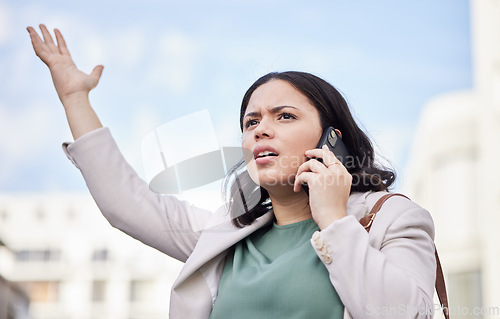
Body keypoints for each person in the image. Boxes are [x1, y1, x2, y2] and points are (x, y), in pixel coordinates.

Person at [27, 24, 437, 318]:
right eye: (251, 122)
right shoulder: (225, 235)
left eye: (285, 116)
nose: (261, 130)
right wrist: (74, 98)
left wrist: (332, 221)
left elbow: (404, 313)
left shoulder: (389, 219)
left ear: (333, 139)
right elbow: (126, 203)